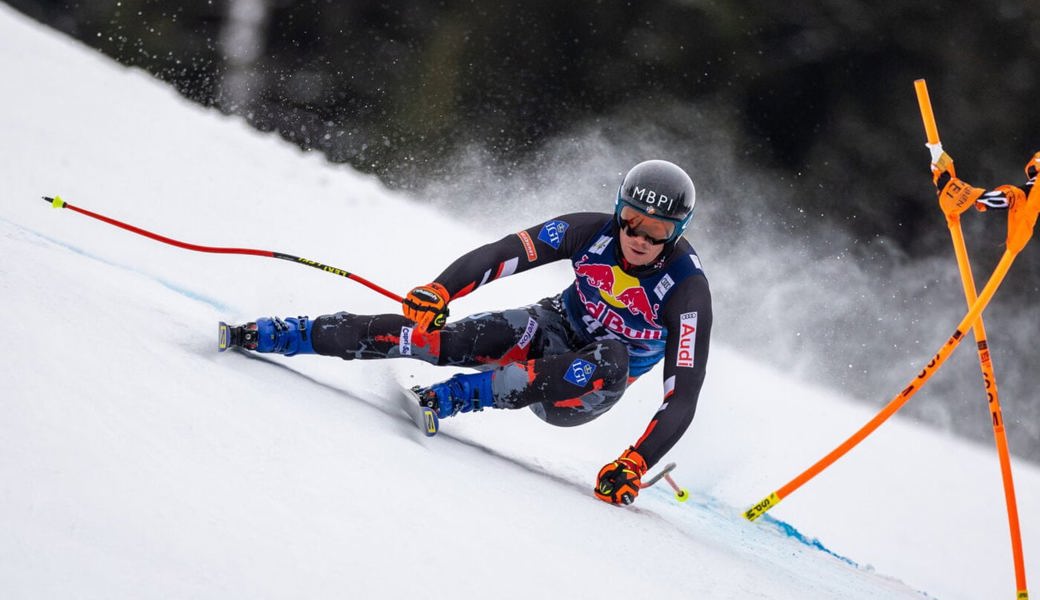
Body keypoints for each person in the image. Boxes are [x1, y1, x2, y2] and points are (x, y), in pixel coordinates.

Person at [223, 159, 712, 506]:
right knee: (445, 340)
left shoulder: (687, 292)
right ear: (618, 208)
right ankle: (282, 334)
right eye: (631, 222)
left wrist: (634, 463)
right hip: (552, 328)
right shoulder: (588, 231)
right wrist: (441, 290)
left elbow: (682, 398)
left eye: (657, 232)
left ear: (679, 231)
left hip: (585, 390)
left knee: (612, 357)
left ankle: (452, 397)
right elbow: (506, 252)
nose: (639, 238)